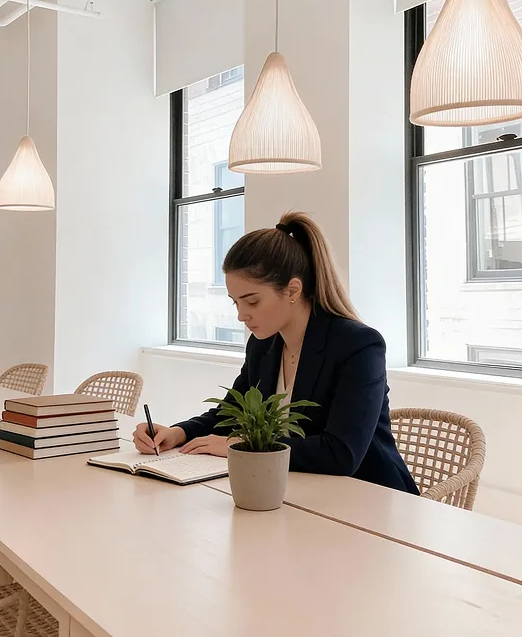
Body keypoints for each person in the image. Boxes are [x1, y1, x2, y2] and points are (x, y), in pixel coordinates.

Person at [133, 211, 418, 494]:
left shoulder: (358, 345)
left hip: (371, 497)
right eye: (235, 303)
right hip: (297, 492)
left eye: (252, 301)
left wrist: (238, 446)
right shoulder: (263, 345)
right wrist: (177, 433)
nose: (242, 316)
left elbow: (341, 454)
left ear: (293, 290)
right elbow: (231, 413)